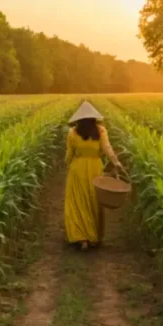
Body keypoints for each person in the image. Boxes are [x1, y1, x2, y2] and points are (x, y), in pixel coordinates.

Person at [64, 101, 124, 250]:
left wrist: (68, 165)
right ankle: (93, 237)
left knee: (78, 202)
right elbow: (107, 149)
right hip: (95, 168)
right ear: (93, 118)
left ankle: (81, 238)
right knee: (93, 201)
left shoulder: (72, 133)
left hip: (77, 169)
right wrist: (116, 163)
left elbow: (69, 155)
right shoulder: (101, 131)